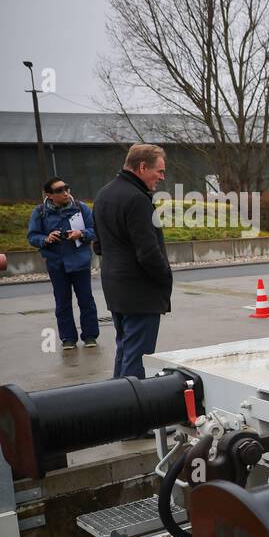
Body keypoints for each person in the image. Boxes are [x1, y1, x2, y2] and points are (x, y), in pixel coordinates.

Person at [93, 144, 172, 379]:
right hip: (140, 293)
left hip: (116, 288)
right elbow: (148, 253)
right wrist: (165, 279)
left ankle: (116, 405)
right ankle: (133, 411)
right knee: (137, 359)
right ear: (142, 167)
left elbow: (98, 244)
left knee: (125, 350)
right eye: (159, 171)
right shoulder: (137, 199)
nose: (162, 177)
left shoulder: (104, 193)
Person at [27, 178, 100, 349]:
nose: (65, 192)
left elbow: (94, 230)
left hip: (80, 262)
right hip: (56, 264)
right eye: (59, 190)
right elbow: (32, 236)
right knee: (62, 302)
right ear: (49, 195)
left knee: (86, 300)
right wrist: (46, 238)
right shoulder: (40, 212)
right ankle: (68, 338)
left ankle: (90, 336)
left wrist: (80, 234)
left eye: (66, 188)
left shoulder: (81, 208)